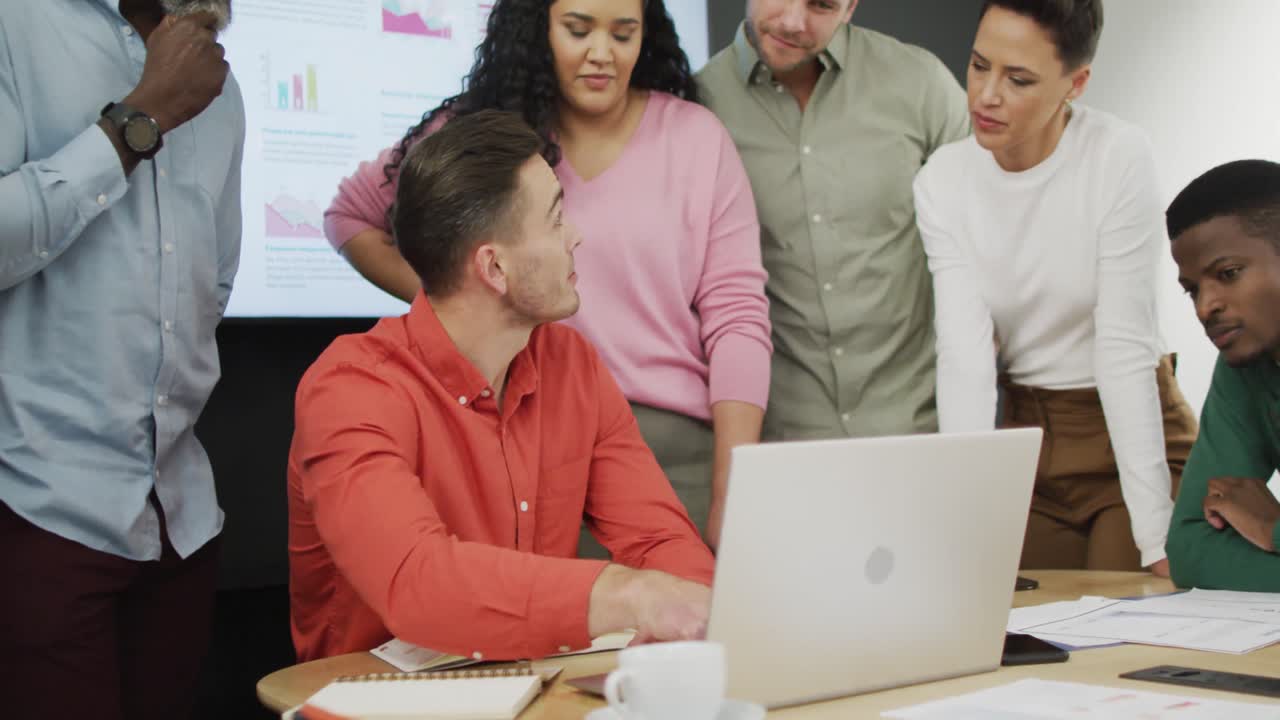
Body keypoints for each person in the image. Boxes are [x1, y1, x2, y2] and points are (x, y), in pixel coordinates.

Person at [326, 0, 771, 552]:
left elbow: (739, 318)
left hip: (674, 460)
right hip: (526, 447)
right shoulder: (491, 139)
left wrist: (734, 489)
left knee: (684, 622)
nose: (601, 54)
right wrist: (467, 296)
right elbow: (350, 216)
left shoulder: (697, 138)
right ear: (540, 29)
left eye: (624, 34)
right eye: (578, 30)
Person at [289, 110, 717, 662]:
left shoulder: (572, 365)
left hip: (535, 692)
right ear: (494, 268)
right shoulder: (350, 388)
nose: (577, 236)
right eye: (557, 219)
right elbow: (418, 582)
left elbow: (660, 539)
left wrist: (696, 614)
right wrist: (627, 593)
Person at [0, 1, 243, 718]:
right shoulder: (18, 24)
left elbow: (215, 278)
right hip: (38, 509)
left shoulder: (220, 81)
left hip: (182, 521)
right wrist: (140, 118)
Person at [913, 0, 1198, 575]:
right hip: (1028, 442)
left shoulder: (1118, 155)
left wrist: (1157, 538)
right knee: (1011, 622)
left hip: (1129, 435)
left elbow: (1122, 348)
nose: (986, 95)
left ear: (1076, 84)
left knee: (1126, 616)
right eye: (978, 65)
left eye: (1018, 79)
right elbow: (965, 359)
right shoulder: (943, 179)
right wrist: (962, 523)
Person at [696, 1, 968, 441]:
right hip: (782, 446)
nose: (792, 22)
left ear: (851, 6)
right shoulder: (696, 111)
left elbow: (991, 244)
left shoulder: (922, 85)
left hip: (923, 431)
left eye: (821, 4)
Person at [1164, 160, 1280, 592]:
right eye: (1192, 288)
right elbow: (1191, 550)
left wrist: (1273, 529)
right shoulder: (1245, 366)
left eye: (1228, 274)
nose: (1204, 307)